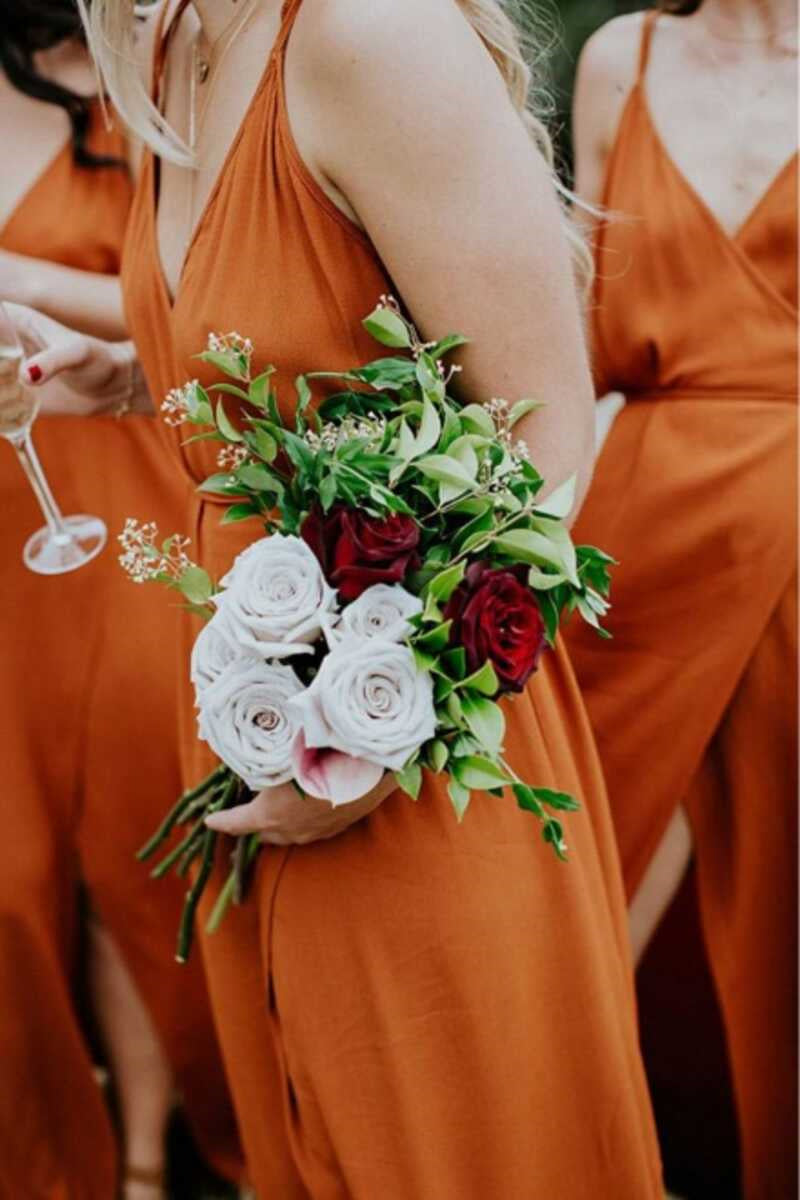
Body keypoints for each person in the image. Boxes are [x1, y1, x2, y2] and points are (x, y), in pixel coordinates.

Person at [14, 1, 665, 1195]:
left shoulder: (367, 32)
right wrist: (119, 377)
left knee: (448, 1146)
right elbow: (287, 362)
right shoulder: (172, 47)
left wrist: (359, 733)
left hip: (407, 733)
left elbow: (548, 439)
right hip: (249, 702)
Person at [0, 5, 241, 1197]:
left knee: (142, 831)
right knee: (12, 860)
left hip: (121, 486)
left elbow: (194, 310)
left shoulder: (153, 75)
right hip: (6, 524)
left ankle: (155, 1158)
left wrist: (16, 282)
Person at [565, 1, 798, 1195]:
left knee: (784, 903)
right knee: (559, 864)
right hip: (634, 536)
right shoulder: (619, 57)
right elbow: (565, 337)